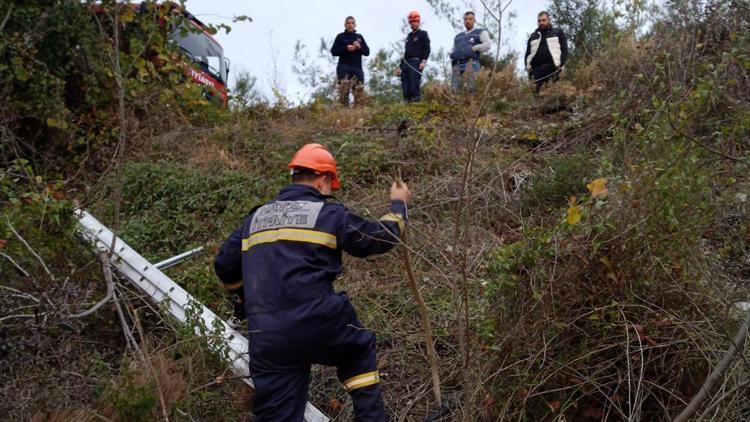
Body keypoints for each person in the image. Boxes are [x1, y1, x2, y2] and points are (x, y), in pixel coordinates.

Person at [214, 143, 412, 421]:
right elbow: (375, 239)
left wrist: (243, 297)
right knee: (357, 350)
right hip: (317, 320)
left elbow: (224, 265)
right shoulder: (328, 214)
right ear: (323, 180)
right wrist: (398, 205)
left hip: (267, 334)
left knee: (276, 414)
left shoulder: (255, 219)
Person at [524, 11, 568, 95]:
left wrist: (561, 64)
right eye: (539, 21)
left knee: (553, 95)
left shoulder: (558, 32)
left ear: (549, 20)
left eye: (544, 20)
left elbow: (565, 49)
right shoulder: (533, 36)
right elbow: (527, 54)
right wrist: (527, 67)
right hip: (536, 70)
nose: (541, 22)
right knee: (536, 96)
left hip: (553, 68)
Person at [330, 16, 370, 107]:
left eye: (352, 23)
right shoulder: (340, 36)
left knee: (359, 92)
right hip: (343, 67)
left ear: (355, 25)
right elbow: (333, 51)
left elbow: (367, 52)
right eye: (348, 23)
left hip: (357, 68)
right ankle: (344, 112)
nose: (350, 25)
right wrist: (345, 48)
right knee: (344, 91)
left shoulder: (359, 37)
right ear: (345, 25)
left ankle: (358, 113)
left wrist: (359, 47)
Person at [450, 11, 491, 93]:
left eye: (470, 19)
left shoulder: (480, 32)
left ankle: (472, 105)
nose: (467, 21)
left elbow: (487, 45)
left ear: (474, 20)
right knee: (454, 91)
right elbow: (452, 49)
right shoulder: (458, 36)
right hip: (456, 66)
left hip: (471, 64)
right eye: (465, 19)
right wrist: (451, 54)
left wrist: (474, 48)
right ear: (463, 21)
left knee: (471, 90)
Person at [395, 10, 430, 102]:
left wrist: (423, 61)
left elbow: (427, 49)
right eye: (412, 22)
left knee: (414, 87)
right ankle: (407, 108)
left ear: (418, 22)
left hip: (416, 62)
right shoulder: (409, 36)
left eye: (415, 21)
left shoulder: (423, 34)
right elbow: (406, 53)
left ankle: (416, 108)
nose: (413, 23)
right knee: (406, 89)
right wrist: (400, 67)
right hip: (406, 63)